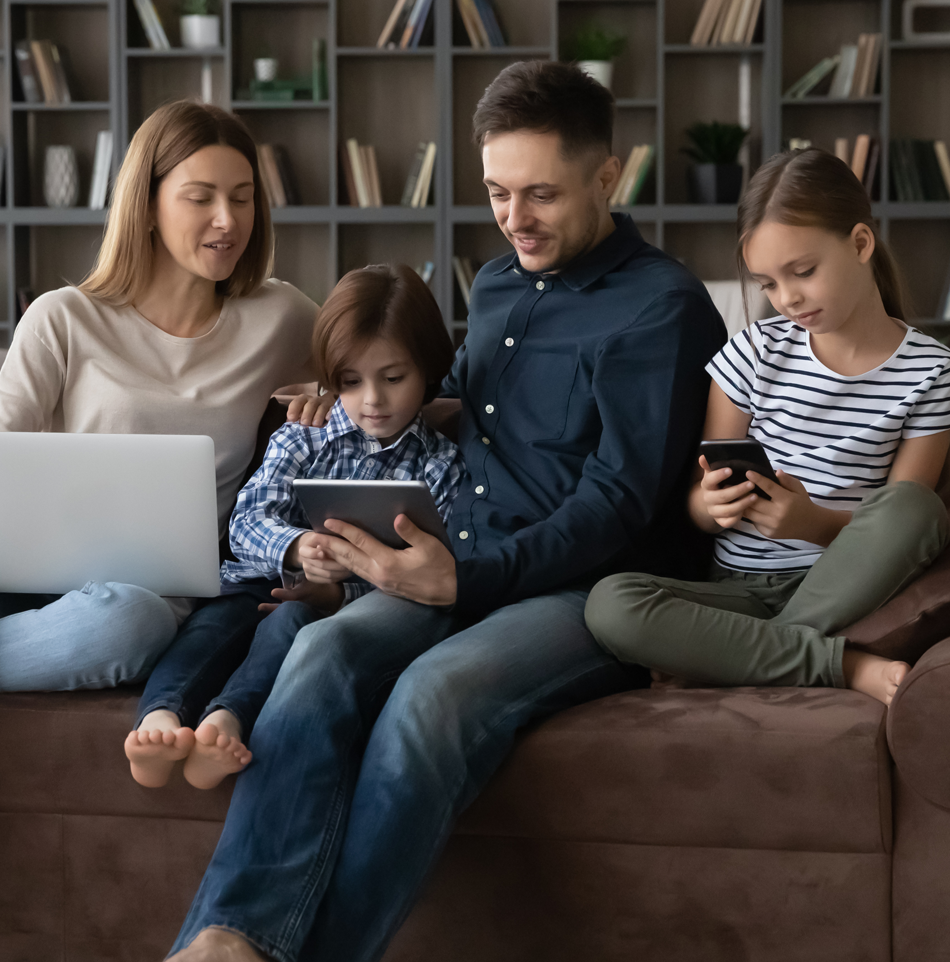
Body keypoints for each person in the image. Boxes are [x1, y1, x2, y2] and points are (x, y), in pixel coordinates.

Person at [166, 60, 725, 962]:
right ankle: (232, 939)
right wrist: (351, 397)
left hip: (585, 588)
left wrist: (466, 577)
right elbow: (464, 400)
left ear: (607, 178)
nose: (515, 218)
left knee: (432, 699)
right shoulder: (501, 284)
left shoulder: (661, 309)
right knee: (322, 651)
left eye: (540, 193)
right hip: (456, 555)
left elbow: (620, 501)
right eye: (499, 192)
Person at [585, 147, 950, 706]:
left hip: (843, 588)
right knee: (610, 604)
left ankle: (738, 659)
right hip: (738, 592)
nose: (788, 298)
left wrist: (812, 523)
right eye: (769, 284)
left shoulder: (931, 372)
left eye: (802, 272)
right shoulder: (753, 352)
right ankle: (837, 664)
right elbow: (698, 508)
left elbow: (903, 531)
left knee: (915, 508)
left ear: (860, 244)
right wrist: (712, 504)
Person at [0, 100, 317, 692]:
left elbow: (384, 369)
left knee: (128, 625)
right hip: (27, 572)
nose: (227, 220)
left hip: (142, 597)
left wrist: (332, 392)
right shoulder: (62, 318)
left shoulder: (280, 316)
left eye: (242, 198)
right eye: (201, 198)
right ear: (145, 207)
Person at [125, 264, 464, 790]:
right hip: (254, 579)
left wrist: (338, 591)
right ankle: (160, 721)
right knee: (210, 628)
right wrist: (297, 546)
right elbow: (246, 521)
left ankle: (224, 722)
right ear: (332, 378)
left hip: (326, 609)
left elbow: (428, 573)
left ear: (427, 369)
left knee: (285, 631)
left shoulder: (440, 465)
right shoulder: (303, 437)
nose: (372, 399)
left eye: (393, 378)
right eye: (351, 381)